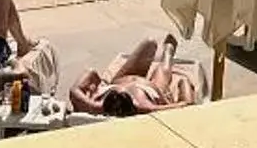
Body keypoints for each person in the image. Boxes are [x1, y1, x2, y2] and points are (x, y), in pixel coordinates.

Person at [67, 34, 200, 116]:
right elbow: (187, 105)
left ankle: (167, 51)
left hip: (121, 79)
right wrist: (184, 84)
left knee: (150, 43)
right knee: (163, 70)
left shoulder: (95, 106)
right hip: (151, 88)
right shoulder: (146, 107)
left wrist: (92, 104)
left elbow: (75, 89)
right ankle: (168, 51)